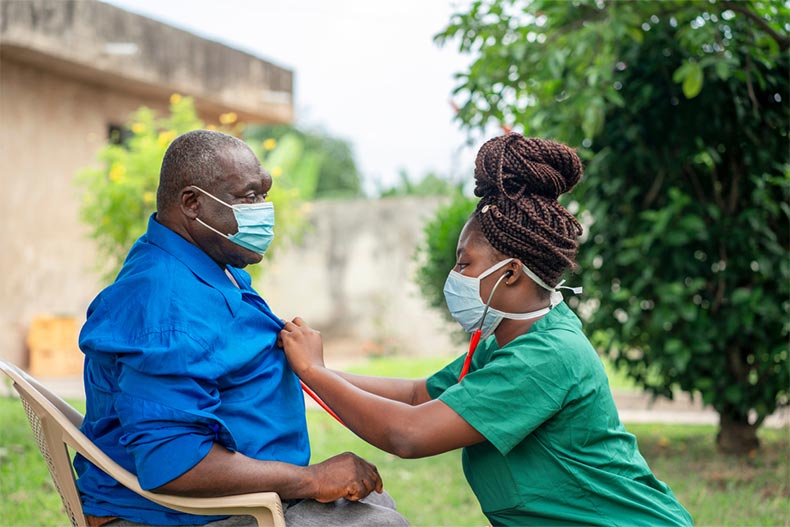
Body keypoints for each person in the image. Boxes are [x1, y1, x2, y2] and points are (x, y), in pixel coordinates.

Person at [280, 133, 694, 526]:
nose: (454, 275)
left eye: (464, 264)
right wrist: (310, 372)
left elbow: (408, 434)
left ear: (510, 273)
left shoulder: (545, 356)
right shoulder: (509, 339)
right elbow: (417, 395)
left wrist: (314, 373)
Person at [75, 130, 408, 527]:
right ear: (193, 204)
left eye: (264, 194)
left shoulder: (207, 265)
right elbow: (174, 465)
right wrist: (313, 479)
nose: (263, 210)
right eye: (248, 197)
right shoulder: (167, 308)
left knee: (377, 509)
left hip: (232, 499)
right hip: (175, 514)